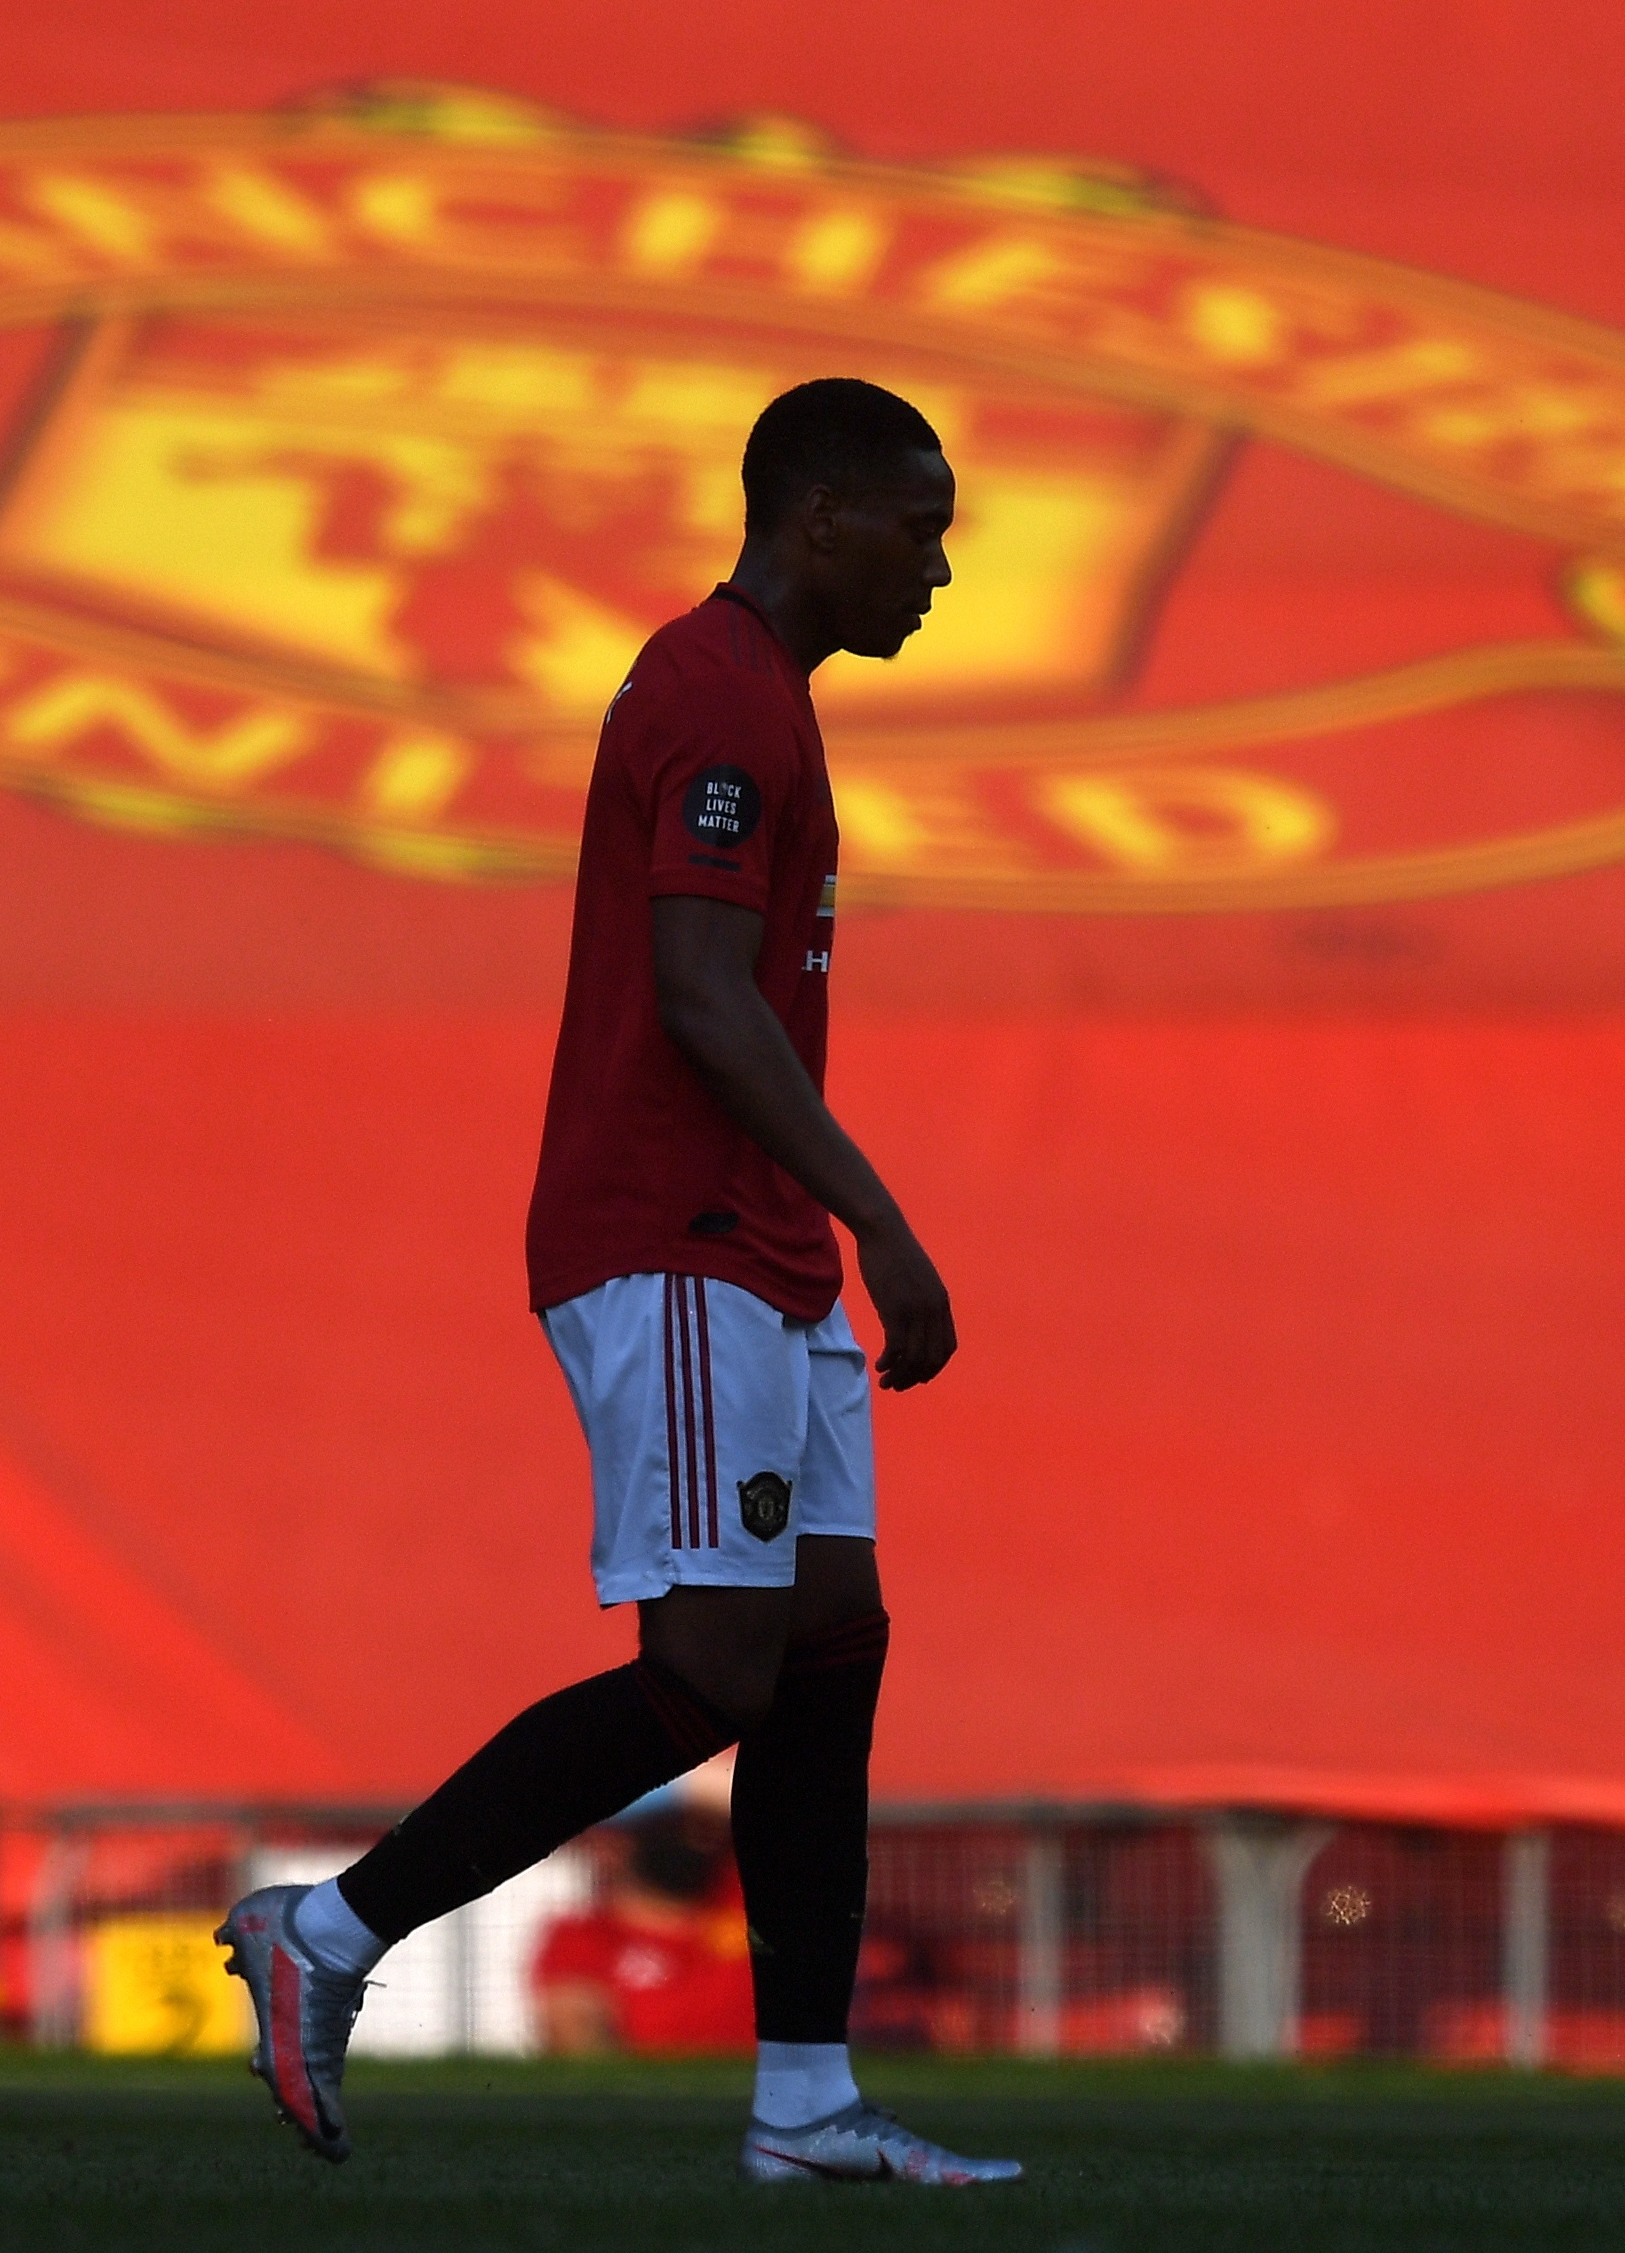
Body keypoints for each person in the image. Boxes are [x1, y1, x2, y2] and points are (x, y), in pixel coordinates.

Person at [219, 379, 1018, 2188]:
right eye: (920, 528)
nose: (938, 570)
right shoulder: (712, 693)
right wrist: (883, 1219)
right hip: (677, 1238)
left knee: (826, 1643)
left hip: (758, 1247)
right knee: (716, 1666)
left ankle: (803, 2102)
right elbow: (699, 996)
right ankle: (326, 1933)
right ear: (818, 517)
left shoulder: (764, 698)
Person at [529, 1797, 754, 2056]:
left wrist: (684, 1790)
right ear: (605, 1844)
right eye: (666, 1825)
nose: (693, 1836)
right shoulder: (583, 1939)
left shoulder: (738, 1894)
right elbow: (581, 2043)